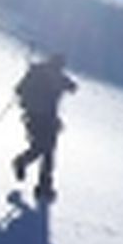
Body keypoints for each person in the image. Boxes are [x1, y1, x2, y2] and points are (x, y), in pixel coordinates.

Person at [11, 53, 77, 201]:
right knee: (46, 150)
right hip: (46, 118)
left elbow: (18, 90)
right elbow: (72, 87)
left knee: (43, 148)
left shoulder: (37, 71)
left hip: (35, 117)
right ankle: (41, 184)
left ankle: (29, 169)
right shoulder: (56, 76)